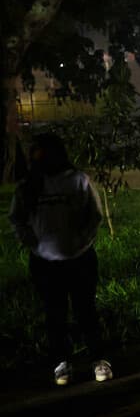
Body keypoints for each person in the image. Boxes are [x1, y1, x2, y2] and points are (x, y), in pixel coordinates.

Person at [9, 133, 110, 386]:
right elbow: (17, 218)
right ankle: (62, 363)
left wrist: (82, 241)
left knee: (86, 310)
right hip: (44, 263)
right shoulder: (28, 186)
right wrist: (33, 243)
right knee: (55, 314)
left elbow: (95, 215)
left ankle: (98, 359)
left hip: (80, 259)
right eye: (37, 151)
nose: (40, 156)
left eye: (45, 151)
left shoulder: (77, 180)